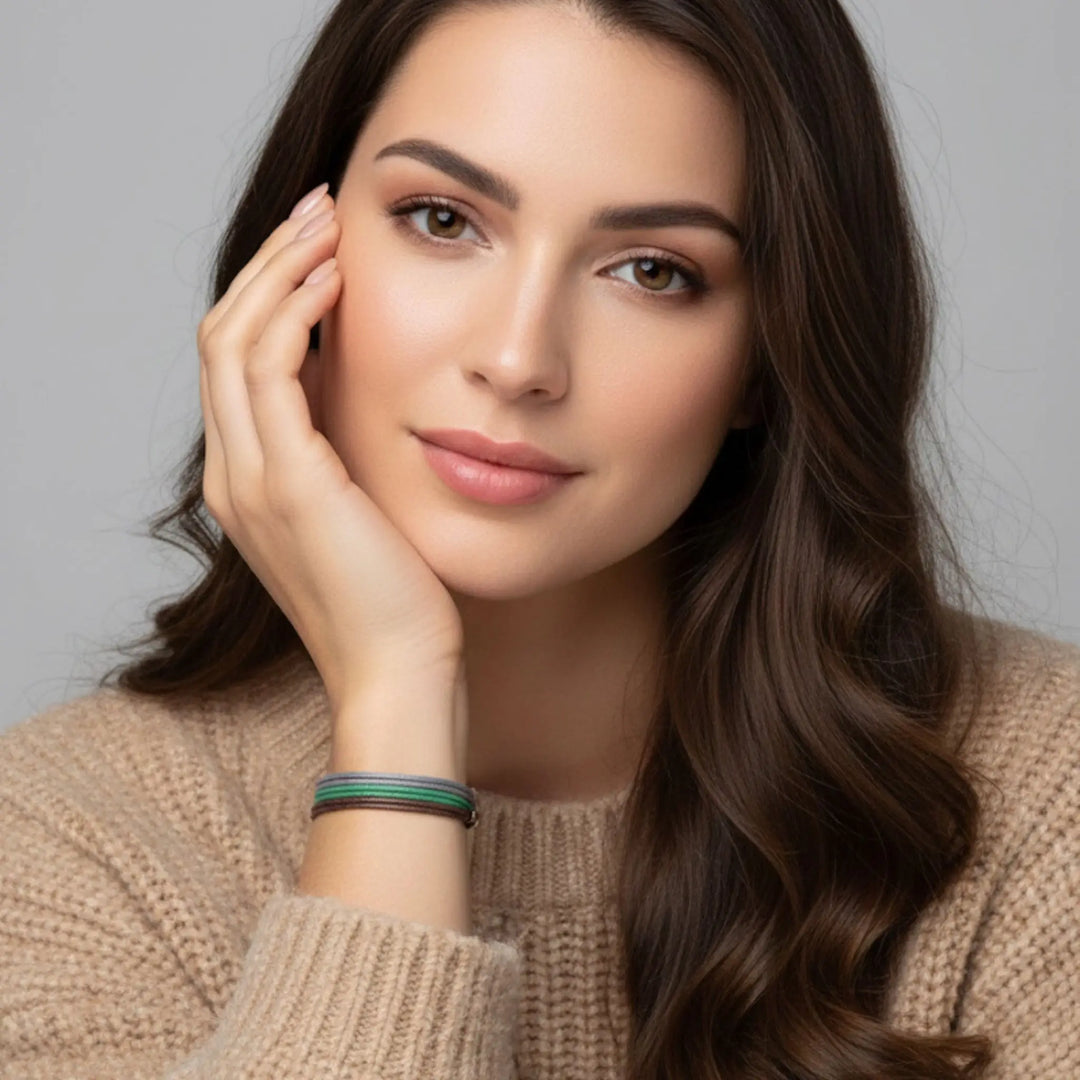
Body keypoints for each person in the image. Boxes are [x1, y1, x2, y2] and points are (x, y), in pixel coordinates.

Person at [1, 0, 1077, 1077]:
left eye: (653, 270)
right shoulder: (66, 838)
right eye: (441, 219)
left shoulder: (1046, 795)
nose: (518, 360)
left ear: (766, 355)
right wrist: (395, 706)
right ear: (296, 259)